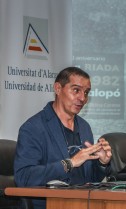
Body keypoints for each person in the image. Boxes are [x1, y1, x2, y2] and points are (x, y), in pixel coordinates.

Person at [14, 67, 112, 209]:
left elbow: (89, 180)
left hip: (82, 204)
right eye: (76, 90)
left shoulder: (84, 127)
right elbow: (23, 178)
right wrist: (69, 163)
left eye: (86, 92)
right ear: (58, 88)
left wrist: (102, 163)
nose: (82, 98)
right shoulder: (33, 128)